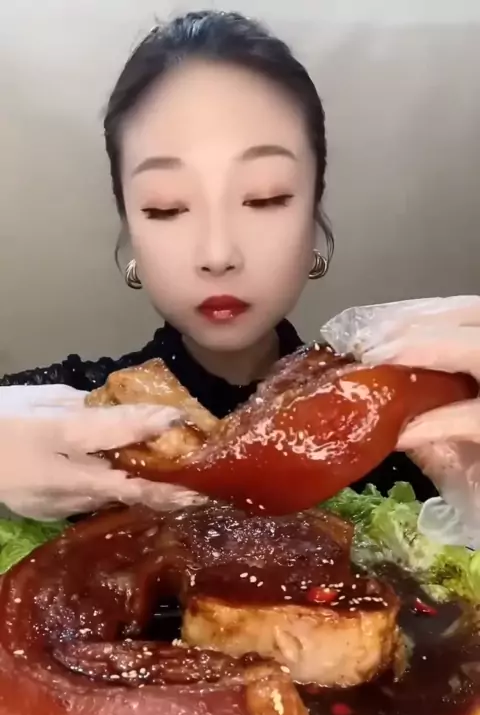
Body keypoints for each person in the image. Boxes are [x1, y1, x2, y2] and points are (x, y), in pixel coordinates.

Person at [0, 10, 474, 521]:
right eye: (166, 207)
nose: (218, 254)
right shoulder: (54, 419)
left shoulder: (416, 428)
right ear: (130, 225)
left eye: (265, 198)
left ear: (314, 212)